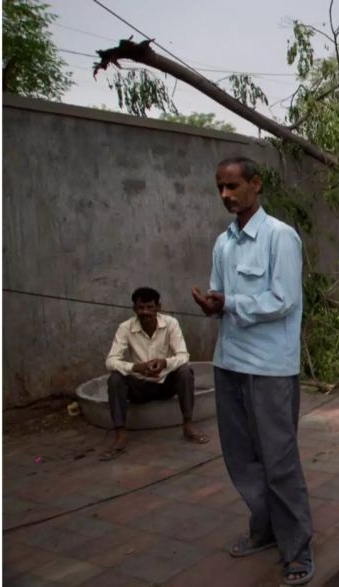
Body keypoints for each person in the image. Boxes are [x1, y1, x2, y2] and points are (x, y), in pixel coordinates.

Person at [191, 156, 313, 585]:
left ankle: (297, 548)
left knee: (279, 461)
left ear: (255, 185)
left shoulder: (281, 237)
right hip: (229, 363)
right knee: (241, 458)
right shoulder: (222, 243)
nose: (226, 195)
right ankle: (264, 530)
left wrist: (230, 304)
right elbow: (219, 294)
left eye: (233, 186)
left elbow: (284, 300)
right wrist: (212, 304)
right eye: (220, 187)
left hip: (270, 370)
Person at [102, 287, 207, 461]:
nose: (145, 312)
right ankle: (121, 433)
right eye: (141, 308)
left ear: (158, 307)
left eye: (150, 307)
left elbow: (183, 355)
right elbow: (110, 361)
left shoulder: (170, 323)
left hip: (166, 383)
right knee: (115, 378)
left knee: (185, 371)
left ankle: (188, 424)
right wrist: (136, 367)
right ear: (134, 309)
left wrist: (165, 362)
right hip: (140, 386)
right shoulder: (125, 328)